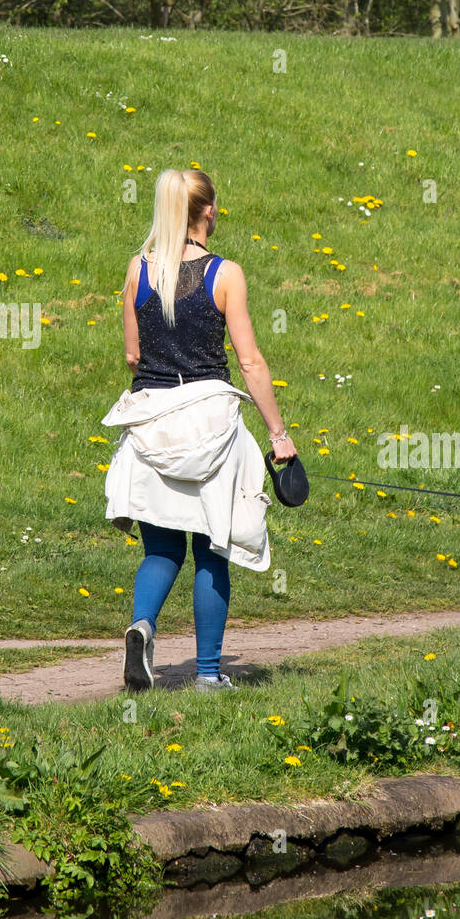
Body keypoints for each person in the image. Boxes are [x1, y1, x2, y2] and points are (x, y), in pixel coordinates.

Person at [103, 168, 297, 693]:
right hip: (210, 421)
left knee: (160, 551)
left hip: (152, 424)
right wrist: (279, 436)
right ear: (208, 210)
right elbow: (251, 361)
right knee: (214, 549)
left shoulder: (137, 269)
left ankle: (142, 625)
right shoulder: (225, 274)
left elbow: (132, 354)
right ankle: (209, 674)